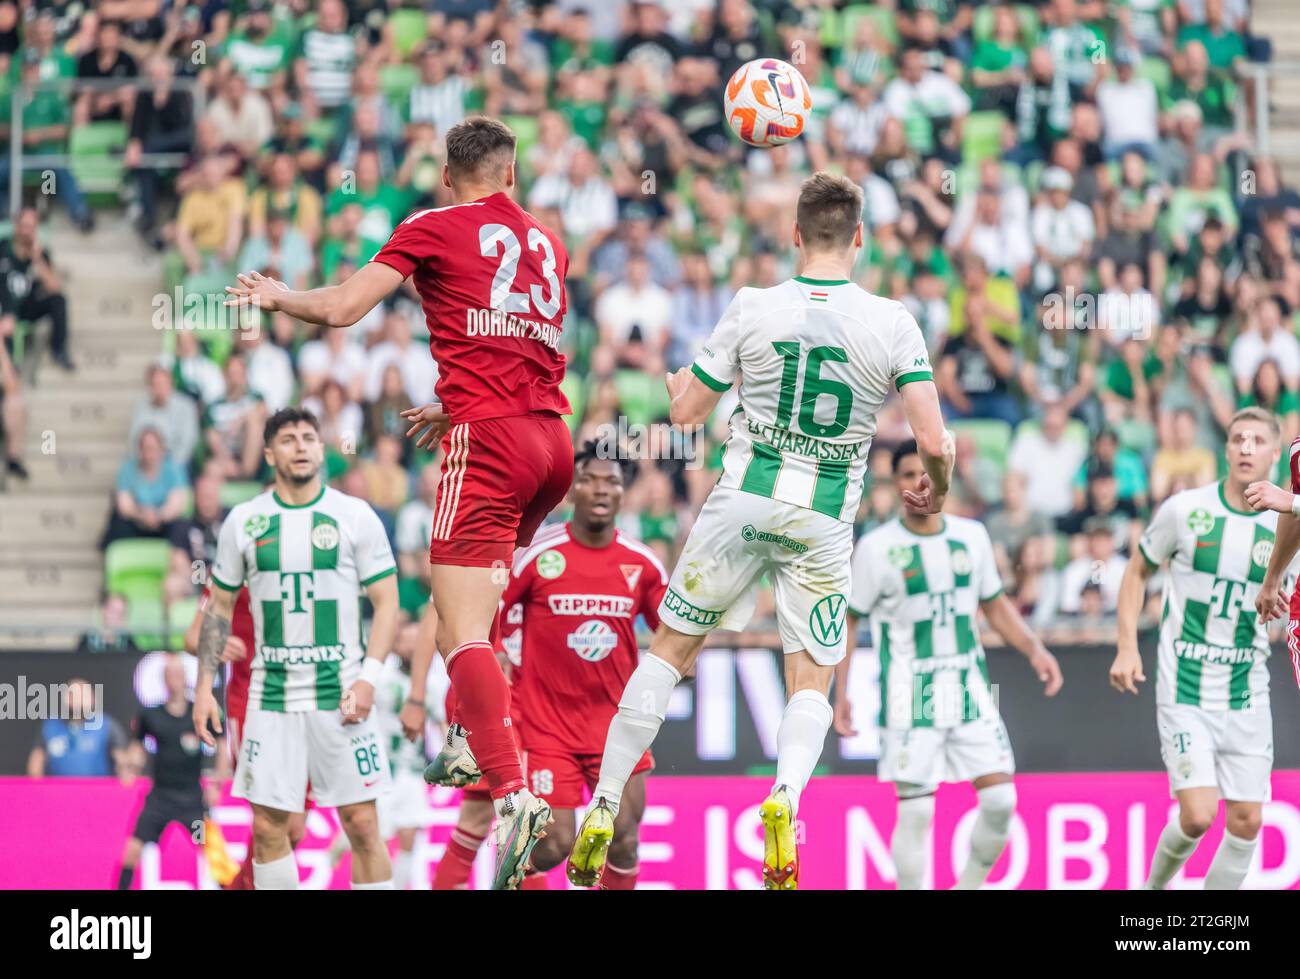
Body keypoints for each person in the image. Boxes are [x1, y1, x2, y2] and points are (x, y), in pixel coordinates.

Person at [567, 172, 953, 890]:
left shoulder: (752, 305)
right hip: (822, 518)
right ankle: (783, 796)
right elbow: (935, 438)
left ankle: (602, 798)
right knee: (811, 673)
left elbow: (684, 416)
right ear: (860, 237)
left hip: (742, 498)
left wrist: (683, 386)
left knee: (671, 650)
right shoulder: (894, 320)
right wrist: (941, 483)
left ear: (795, 234)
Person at [223, 116, 573, 890]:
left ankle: (511, 794)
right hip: (553, 445)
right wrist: (457, 402)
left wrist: (279, 296)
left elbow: (345, 308)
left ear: (449, 177)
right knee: (468, 614)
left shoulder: (433, 224)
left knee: (460, 617)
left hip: (490, 444)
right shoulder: (549, 243)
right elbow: (521, 344)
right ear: (511, 176)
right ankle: (467, 733)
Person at [191, 407, 400, 890]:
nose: (301, 445)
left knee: (364, 825)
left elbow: (387, 603)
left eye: (309, 437)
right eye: (288, 439)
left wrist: (370, 678)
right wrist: (204, 688)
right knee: (269, 827)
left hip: (341, 693)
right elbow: (218, 609)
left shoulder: (354, 515)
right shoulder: (244, 521)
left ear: (321, 450)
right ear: (269, 454)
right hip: (271, 697)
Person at [839, 440, 1062, 889]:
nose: (919, 482)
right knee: (918, 809)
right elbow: (850, 619)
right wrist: (839, 693)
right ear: (895, 483)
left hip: (969, 687)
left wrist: (1034, 650)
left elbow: (995, 606)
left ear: (943, 478)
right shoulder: (877, 548)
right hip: (910, 689)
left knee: (1000, 801)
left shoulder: (972, 537)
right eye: (906, 474)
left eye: (927, 472)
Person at [1111, 408, 1288, 890]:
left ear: (1276, 452)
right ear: (1225, 450)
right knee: (1197, 815)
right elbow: (1137, 571)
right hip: (1186, 685)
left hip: (1246, 690)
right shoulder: (1185, 510)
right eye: (1237, 439)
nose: (1246, 448)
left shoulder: (1285, 530)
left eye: (1257, 440)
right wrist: (1127, 645)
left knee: (1248, 821)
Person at [498, 446, 666, 889]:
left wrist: (680, 667)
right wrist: (496, 664)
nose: (601, 488)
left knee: (625, 838)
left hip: (618, 728)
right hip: (548, 728)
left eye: (611, 481)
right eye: (590, 478)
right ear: (572, 489)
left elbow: (671, 636)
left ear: (623, 493)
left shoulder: (643, 564)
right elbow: (491, 616)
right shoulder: (537, 555)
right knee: (553, 846)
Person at [116, 653, 223, 889]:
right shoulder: (151, 715)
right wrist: (130, 766)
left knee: (213, 855)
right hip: (160, 801)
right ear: (164, 679)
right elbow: (138, 748)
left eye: (179, 672)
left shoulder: (199, 713)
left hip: (192, 802)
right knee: (132, 851)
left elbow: (222, 744)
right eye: (170, 673)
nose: (175, 677)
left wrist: (217, 783)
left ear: (186, 677)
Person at [27, 679, 129, 777]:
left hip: (97, 792)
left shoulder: (106, 725)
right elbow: (36, 761)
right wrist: (37, 790)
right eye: (73, 694)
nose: (78, 699)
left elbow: (122, 761)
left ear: (92, 698)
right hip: (57, 792)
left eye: (83, 694)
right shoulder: (50, 726)